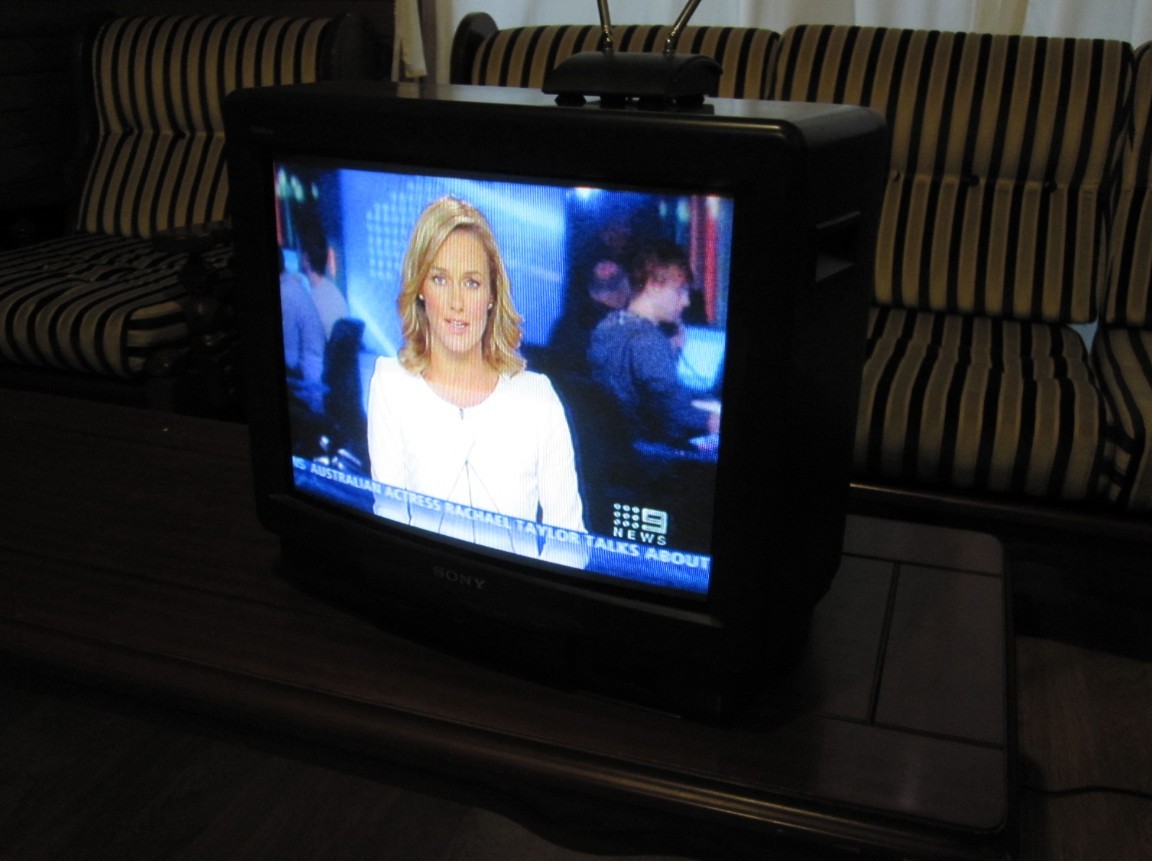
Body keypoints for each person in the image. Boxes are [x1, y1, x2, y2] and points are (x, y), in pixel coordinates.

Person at [367, 196, 587, 566]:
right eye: (440, 279)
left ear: (491, 295)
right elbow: (390, 524)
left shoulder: (537, 398)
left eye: (472, 282)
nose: (457, 302)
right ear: (420, 288)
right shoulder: (391, 384)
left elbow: (569, 542)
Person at [587, 241, 721, 448]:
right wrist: (711, 419)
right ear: (653, 286)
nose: (686, 301)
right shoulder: (649, 340)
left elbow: (648, 392)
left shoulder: (606, 327)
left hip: (615, 448)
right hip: (650, 455)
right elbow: (671, 411)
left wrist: (671, 352)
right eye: (680, 291)